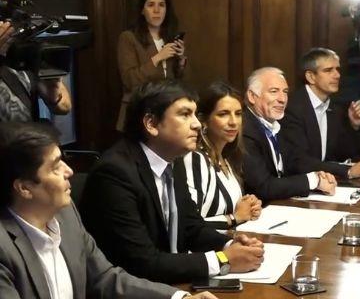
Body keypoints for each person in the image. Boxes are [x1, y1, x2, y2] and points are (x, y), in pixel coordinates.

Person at [0, 121, 217, 299]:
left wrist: (179, 298)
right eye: (55, 166)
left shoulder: (66, 216)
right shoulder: (3, 247)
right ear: (24, 188)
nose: (69, 171)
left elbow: (105, 279)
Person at [80, 80, 264, 284]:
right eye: (185, 114)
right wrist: (223, 260)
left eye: (194, 114)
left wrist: (229, 244)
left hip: (172, 282)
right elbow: (141, 262)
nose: (197, 124)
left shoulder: (172, 160)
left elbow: (191, 227)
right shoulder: (114, 173)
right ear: (151, 124)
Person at [174, 81, 262, 230]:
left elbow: (234, 209)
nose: (233, 122)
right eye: (223, 114)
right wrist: (235, 217)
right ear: (204, 121)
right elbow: (188, 224)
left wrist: (250, 205)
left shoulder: (227, 158)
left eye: (238, 114)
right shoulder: (195, 159)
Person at [242, 67, 338, 201]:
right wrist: (312, 181)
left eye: (285, 92)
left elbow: (296, 162)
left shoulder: (276, 125)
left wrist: (319, 176)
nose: (282, 99)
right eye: (274, 91)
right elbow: (263, 187)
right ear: (252, 96)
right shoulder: (245, 130)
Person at [280, 47, 360, 179]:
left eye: (337, 69)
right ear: (311, 77)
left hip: (330, 181)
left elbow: (347, 153)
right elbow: (299, 161)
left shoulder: (337, 106)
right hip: (301, 182)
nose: (337, 75)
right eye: (328, 70)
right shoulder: (292, 108)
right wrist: (348, 171)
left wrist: (354, 126)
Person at [0, 0, 71, 123]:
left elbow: (65, 107)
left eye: (2, 2)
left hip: (26, 138)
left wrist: (54, 93)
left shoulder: (19, 44)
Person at [116, 0, 186, 131]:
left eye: (161, 5)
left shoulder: (169, 38)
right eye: (151, 5)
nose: (157, 10)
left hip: (167, 111)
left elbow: (179, 83)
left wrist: (180, 60)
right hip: (139, 110)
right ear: (142, 10)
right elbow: (130, 80)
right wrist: (157, 58)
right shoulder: (128, 38)